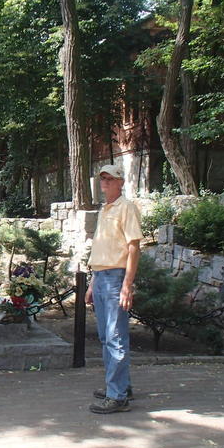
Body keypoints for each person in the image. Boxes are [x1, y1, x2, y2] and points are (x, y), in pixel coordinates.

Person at [85, 164, 143, 414]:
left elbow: (134, 247)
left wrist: (127, 285)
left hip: (115, 278)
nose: (105, 182)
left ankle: (117, 397)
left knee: (115, 337)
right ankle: (121, 387)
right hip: (101, 277)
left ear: (121, 182)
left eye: (110, 178)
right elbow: (102, 249)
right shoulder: (104, 209)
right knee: (106, 337)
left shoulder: (126, 207)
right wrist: (92, 283)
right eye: (103, 179)